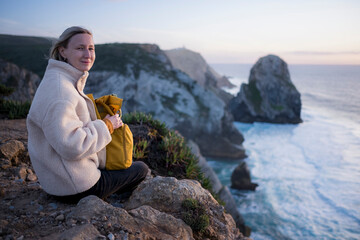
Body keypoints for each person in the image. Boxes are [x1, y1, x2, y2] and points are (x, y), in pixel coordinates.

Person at [27, 26, 149, 203]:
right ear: (63, 51)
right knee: (141, 169)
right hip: (75, 187)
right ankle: (115, 201)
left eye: (91, 48)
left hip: (60, 180)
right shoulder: (61, 92)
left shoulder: (59, 80)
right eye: (79, 48)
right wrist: (107, 125)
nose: (87, 54)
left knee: (122, 165)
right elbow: (72, 145)